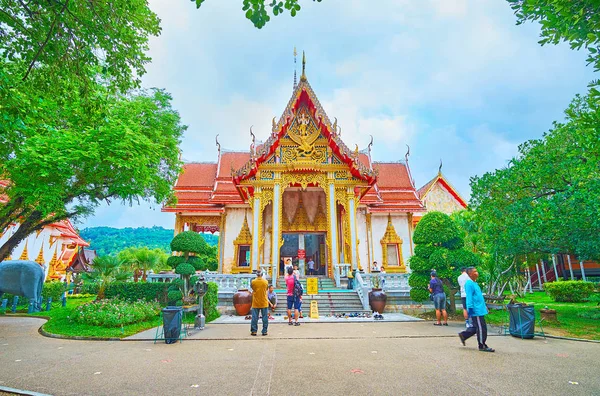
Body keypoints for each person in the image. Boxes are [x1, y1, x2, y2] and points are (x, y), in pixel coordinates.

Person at [458, 267, 495, 352]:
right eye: (475, 272)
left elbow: (479, 297)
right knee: (482, 328)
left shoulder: (475, 283)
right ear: (470, 274)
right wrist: (470, 308)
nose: (477, 273)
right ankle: (482, 345)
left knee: (476, 327)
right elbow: (469, 297)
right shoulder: (469, 284)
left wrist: (484, 306)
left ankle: (464, 335)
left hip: (480, 309)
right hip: (476, 310)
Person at [250, 270, 269, 336]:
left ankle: (254, 331)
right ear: (262, 274)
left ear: (256, 275)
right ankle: (264, 331)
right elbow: (266, 289)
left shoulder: (253, 282)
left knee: (255, 317)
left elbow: (252, 288)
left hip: (256, 301)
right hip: (264, 301)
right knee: (265, 317)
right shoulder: (265, 282)